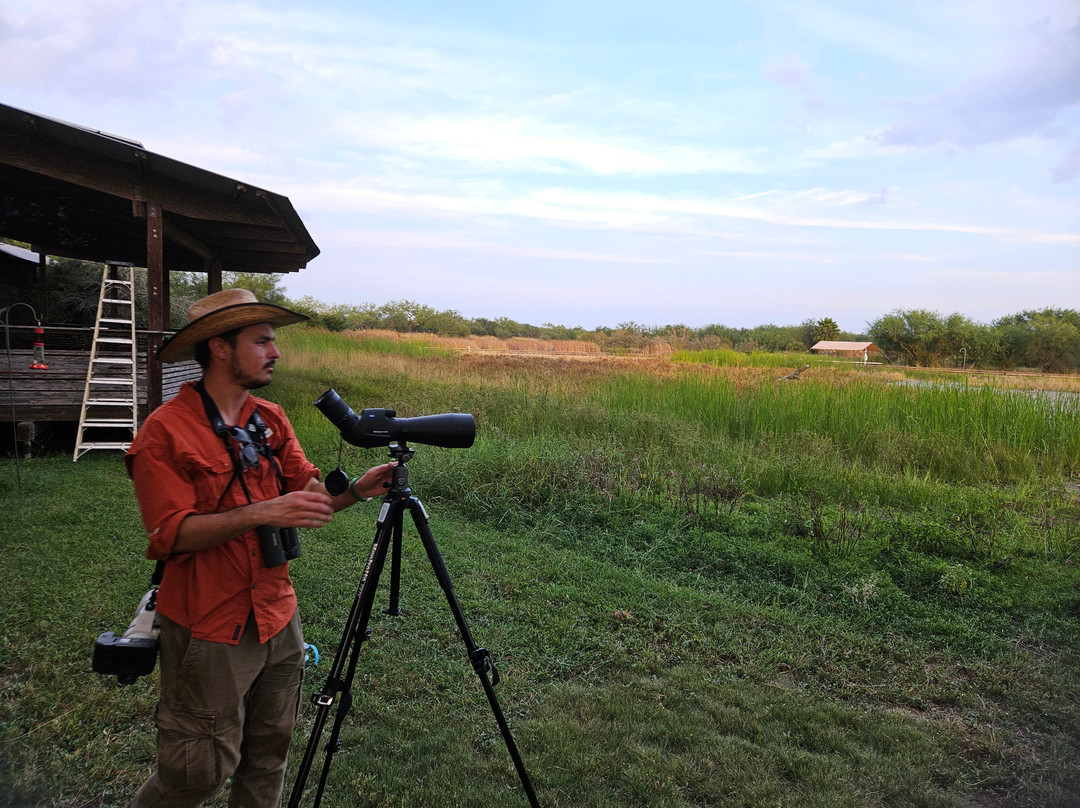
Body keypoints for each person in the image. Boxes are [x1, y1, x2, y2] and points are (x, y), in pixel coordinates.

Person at [125, 288, 393, 808]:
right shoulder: (166, 432)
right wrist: (265, 511)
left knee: (269, 756)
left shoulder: (270, 419)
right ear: (221, 348)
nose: (276, 351)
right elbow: (168, 535)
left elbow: (311, 499)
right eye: (263, 341)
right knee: (195, 773)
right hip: (207, 624)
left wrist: (356, 490)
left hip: (277, 616)